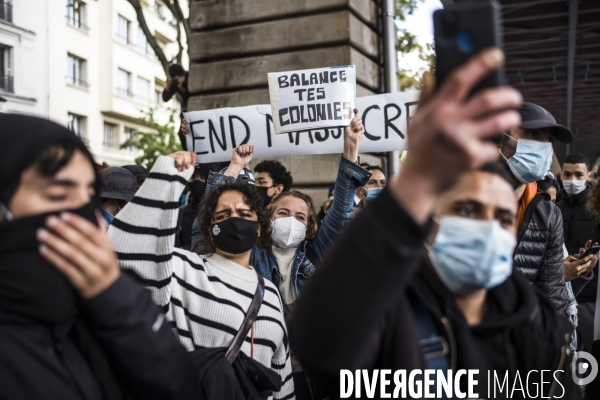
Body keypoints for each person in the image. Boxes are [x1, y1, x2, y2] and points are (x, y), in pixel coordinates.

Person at [290, 49, 579, 399]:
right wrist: (415, 181)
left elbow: (554, 308)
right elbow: (321, 340)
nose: (490, 228)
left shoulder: (537, 327)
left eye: (503, 218)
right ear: (436, 220)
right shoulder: (396, 309)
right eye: (470, 210)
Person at [0, 114, 201, 399]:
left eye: (87, 199)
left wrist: (115, 298)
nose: (86, 218)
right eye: (59, 195)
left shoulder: (93, 309)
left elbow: (177, 386)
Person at [198, 111, 371, 398]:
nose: (292, 221)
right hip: (265, 371)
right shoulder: (249, 253)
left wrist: (351, 148)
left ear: (310, 226)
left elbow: (341, 209)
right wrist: (233, 168)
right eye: (283, 213)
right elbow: (212, 218)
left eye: (300, 217)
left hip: (318, 372)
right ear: (268, 218)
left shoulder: (317, 253)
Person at [108, 153, 295, 399]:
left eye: (244, 213)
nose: (234, 220)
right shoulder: (182, 269)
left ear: (259, 226)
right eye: (223, 216)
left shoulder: (270, 294)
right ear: (209, 228)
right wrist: (166, 176)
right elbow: (120, 253)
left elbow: (282, 379)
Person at [498, 101, 573, 316]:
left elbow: (551, 292)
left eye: (548, 139)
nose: (542, 145)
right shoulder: (463, 203)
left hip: (521, 337)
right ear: (502, 137)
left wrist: (557, 343)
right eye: (532, 133)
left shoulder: (548, 214)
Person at [557, 153, 599, 351]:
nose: (572, 180)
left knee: (591, 354)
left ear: (588, 175)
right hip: (562, 294)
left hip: (591, 296)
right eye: (567, 174)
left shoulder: (595, 210)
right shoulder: (554, 209)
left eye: (578, 174)